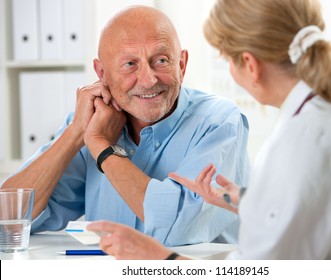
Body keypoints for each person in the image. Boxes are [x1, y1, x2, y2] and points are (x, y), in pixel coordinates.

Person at [87, 0, 331, 259]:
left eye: (226, 59)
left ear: (250, 64)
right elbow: (329, 216)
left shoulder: (300, 142)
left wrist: (158, 256)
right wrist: (251, 203)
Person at [0, 6, 251, 246]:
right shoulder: (88, 124)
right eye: (130, 64)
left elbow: (178, 228)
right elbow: (8, 219)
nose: (149, 80)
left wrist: (102, 147)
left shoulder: (219, 122)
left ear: (181, 65)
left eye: (161, 60)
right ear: (102, 73)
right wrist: (76, 133)